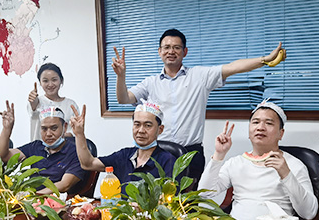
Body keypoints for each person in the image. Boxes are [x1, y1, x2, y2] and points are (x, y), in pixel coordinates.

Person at [111, 28, 285, 182]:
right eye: (166, 47)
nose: (171, 51)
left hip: (190, 153)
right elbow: (124, 99)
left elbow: (233, 67)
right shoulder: (150, 83)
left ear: (185, 52)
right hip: (158, 153)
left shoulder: (199, 76)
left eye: (176, 47)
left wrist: (265, 59)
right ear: (159, 51)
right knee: (155, 204)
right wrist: (121, 76)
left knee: (188, 205)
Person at [198, 101, 318, 220]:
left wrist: (286, 174)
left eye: (269, 123)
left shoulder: (294, 165)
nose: (260, 127)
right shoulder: (235, 163)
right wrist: (219, 154)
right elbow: (204, 193)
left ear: (280, 133)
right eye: (255, 122)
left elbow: (309, 213)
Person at [70, 100, 176, 194]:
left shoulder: (168, 160)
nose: (141, 130)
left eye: (148, 125)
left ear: (160, 129)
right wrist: (79, 134)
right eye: (137, 124)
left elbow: (169, 200)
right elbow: (88, 164)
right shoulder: (124, 155)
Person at [0, 102, 87, 194]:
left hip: (55, 201)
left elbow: (65, 184)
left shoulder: (75, 151)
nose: (48, 134)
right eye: (44, 129)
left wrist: (33, 196)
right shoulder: (36, 146)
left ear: (65, 127)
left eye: (54, 128)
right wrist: (7, 129)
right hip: (29, 198)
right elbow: (3, 156)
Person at [27, 63, 79, 141]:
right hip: (39, 150)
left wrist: (57, 138)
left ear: (61, 80)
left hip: (65, 149)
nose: (50, 84)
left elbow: (75, 130)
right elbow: (33, 109)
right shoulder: (37, 102)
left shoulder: (70, 104)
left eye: (54, 80)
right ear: (40, 83)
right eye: (45, 81)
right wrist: (33, 102)